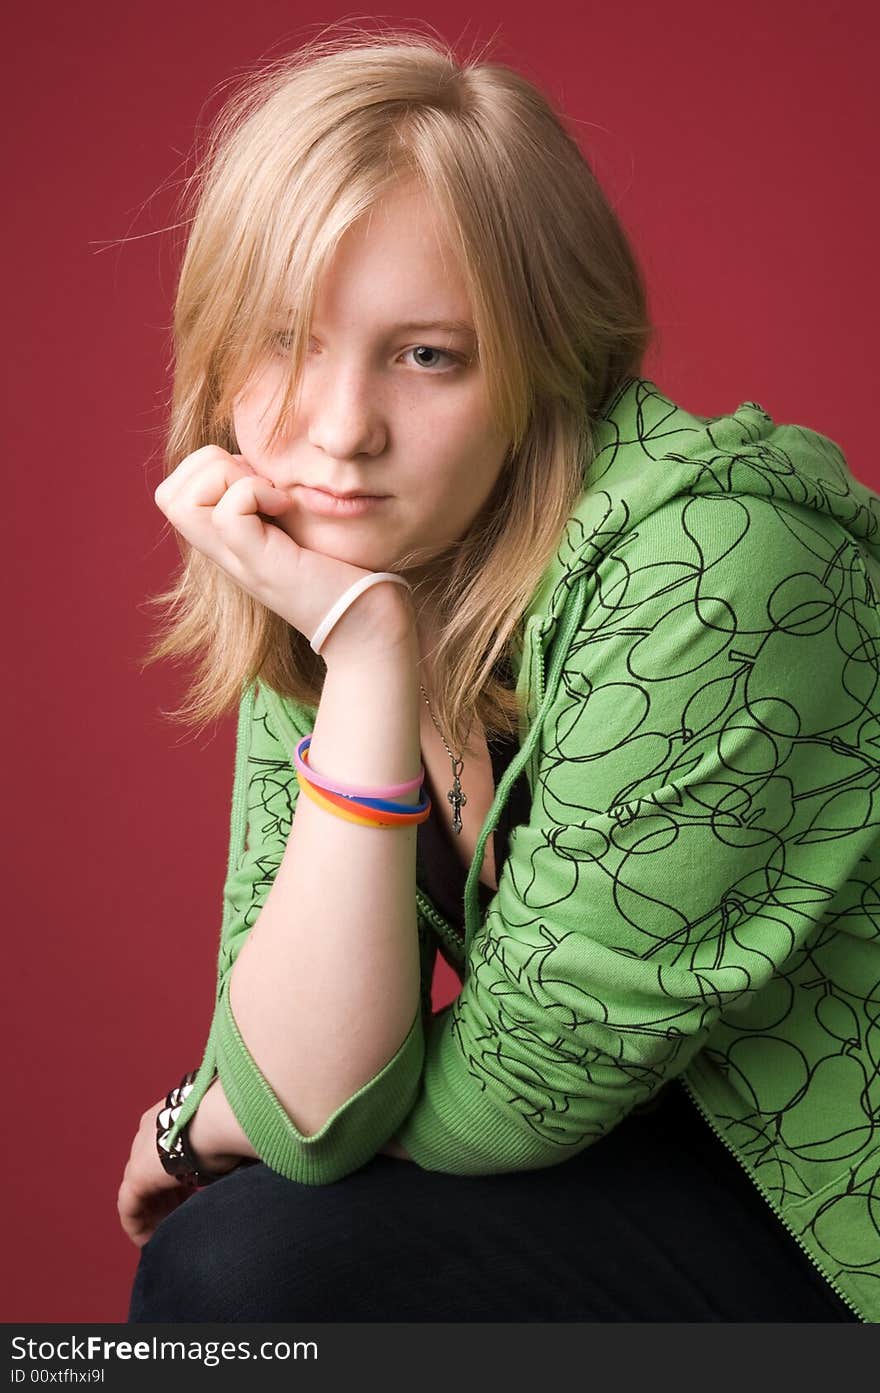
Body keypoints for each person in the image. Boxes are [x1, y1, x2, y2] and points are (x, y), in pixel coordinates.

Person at [118, 27, 877, 1323]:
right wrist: (361, 653)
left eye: (427, 356)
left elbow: (511, 1096)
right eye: (286, 342)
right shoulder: (340, 563)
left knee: (238, 1263)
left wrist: (206, 1124)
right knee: (242, 1259)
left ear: (542, 363)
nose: (339, 429)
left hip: (834, 1215)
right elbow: (300, 1083)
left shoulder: (722, 560)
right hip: (661, 1155)